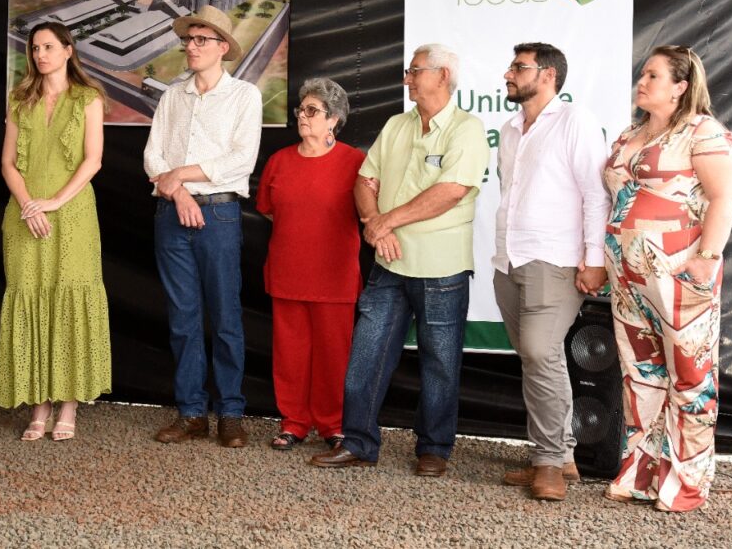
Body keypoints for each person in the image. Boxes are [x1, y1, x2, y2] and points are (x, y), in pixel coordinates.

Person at [310, 43, 489, 475]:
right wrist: (374, 223)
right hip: (388, 264)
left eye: (414, 71)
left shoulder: (467, 129)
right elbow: (364, 180)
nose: (407, 78)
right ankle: (358, 442)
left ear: (442, 76)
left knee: (440, 363)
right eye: (408, 71)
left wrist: (383, 222)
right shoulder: (396, 124)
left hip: (441, 267)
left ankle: (434, 449)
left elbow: (450, 192)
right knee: (366, 354)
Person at [602, 45, 732, 512]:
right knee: (640, 374)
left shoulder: (703, 132)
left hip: (679, 273)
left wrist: (707, 258)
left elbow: (726, 195)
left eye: (653, 76)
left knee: (690, 375)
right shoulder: (630, 134)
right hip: (628, 276)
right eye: (642, 74)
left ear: (680, 86)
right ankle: (640, 474)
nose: (642, 82)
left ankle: (686, 483)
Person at [492, 42, 611, 500]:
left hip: (554, 259)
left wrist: (595, 259)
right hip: (508, 259)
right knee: (539, 358)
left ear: (547, 75)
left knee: (539, 353)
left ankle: (548, 464)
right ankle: (563, 456)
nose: (508, 74)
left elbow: (596, 194)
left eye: (518, 67)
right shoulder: (509, 129)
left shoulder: (574, 120)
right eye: (511, 66)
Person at [143, 5, 262, 448]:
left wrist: (180, 175)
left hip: (219, 215)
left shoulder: (244, 96)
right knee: (183, 318)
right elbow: (152, 157)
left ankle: (230, 412)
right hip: (172, 213)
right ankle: (192, 411)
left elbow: (240, 160)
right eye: (188, 40)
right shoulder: (173, 97)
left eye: (200, 40)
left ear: (223, 47)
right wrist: (178, 192)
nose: (191, 47)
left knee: (225, 316)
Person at [0, 21, 111, 441]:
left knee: (69, 299)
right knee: (30, 293)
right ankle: (39, 404)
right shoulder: (19, 99)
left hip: (72, 214)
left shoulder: (88, 98)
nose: (40, 54)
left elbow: (93, 160)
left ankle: (69, 404)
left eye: (48, 47)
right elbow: (7, 163)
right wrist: (29, 204)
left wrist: (56, 201)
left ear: (67, 50)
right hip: (25, 213)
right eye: (35, 48)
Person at [256, 78, 365, 451]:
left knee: (334, 355)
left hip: (334, 277)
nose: (302, 116)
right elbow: (268, 210)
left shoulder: (355, 162)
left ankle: (333, 425)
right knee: (290, 354)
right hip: (288, 273)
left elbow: (368, 211)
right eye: (301, 109)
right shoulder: (279, 161)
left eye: (312, 110)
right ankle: (294, 423)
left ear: (333, 119)